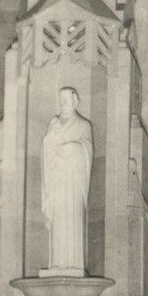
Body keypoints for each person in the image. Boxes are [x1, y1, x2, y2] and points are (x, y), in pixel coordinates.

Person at [40, 86, 93, 273]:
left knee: (72, 221)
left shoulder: (83, 125)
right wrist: (50, 138)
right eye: (61, 101)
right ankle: (57, 264)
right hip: (57, 180)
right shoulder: (54, 123)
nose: (64, 104)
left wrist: (74, 149)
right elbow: (46, 152)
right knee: (59, 223)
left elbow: (87, 152)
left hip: (73, 182)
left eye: (67, 101)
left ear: (75, 101)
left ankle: (74, 264)